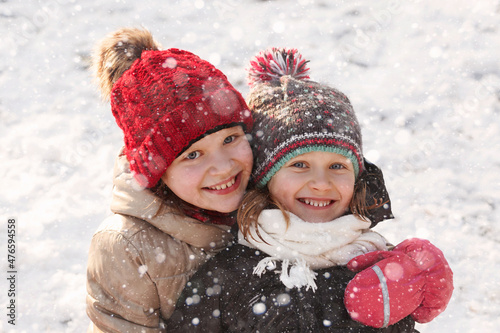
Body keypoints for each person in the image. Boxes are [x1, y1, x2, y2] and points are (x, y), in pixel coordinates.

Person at [166, 48, 453, 332]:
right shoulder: (229, 276)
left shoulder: (377, 265)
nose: (321, 183)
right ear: (266, 177)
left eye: (337, 167)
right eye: (300, 164)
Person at [85, 28, 254, 332]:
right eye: (192, 155)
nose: (222, 167)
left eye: (230, 138)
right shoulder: (127, 248)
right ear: (157, 173)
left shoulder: (270, 195)